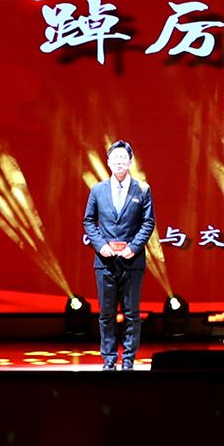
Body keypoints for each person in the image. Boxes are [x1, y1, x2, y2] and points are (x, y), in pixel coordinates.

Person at [82, 140, 155, 370]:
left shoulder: (142, 189)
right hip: (105, 262)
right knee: (106, 314)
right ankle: (109, 360)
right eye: (115, 158)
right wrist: (101, 245)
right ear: (108, 162)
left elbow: (148, 222)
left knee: (132, 313)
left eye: (124, 158)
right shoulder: (97, 190)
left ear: (130, 162)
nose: (119, 162)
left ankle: (129, 360)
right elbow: (88, 221)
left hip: (132, 261)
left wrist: (132, 247)